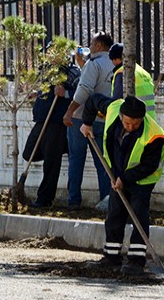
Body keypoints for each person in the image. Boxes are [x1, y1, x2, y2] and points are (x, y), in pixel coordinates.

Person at [80, 94, 164, 276]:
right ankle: (111, 257)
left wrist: (125, 179)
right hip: (117, 173)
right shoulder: (112, 109)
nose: (131, 127)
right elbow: (93, 100)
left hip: (143, 179)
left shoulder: (154, 135)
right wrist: (87, 123)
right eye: (127, 123)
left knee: (138, 215)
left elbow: (149, 165)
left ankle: (136, 261)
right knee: (115, 214)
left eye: (135, 124)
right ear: (121, 116)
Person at [62, 31, 115, 210]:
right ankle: (107, 199)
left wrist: (69, 111)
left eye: (92, 43)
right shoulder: (115, 63)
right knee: (103, 161)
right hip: (104, 118)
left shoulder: (94, 63)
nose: (89, 47)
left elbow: (84, 89)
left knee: (76, 158)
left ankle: (74, 200)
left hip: (82, 118)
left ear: (99, 45)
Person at [24, 60, 81, 208]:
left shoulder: (72, 72)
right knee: (28, 153)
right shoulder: (47, 69)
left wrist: (65, 93)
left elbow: (81, 93)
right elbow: (47, 88)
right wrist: (38, 93)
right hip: (42, 119)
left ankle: (44, 199)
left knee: (51, 163)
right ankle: (57, 150)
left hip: (56, 123)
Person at [109, 43, 157, 119]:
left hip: (134, 121)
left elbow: (117, 102)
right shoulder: (143, 72)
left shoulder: (122, 73)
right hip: (150, 120)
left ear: (115, 59)